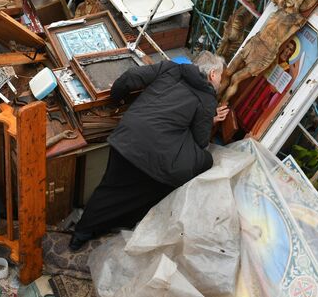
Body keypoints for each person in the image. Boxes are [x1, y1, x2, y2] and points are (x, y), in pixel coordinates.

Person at [69, 51, 229, 251]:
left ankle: (81, 233)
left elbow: (130, 78)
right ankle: (127, 221)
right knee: (205, 160)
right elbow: (200, 141)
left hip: (127, 139)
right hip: (158, 160)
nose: (220, 82)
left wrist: (116, 100)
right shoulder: (207, 98)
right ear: (213, 74)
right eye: (221, 77)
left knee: (109, 189)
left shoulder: (171, 68)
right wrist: (210, 119)